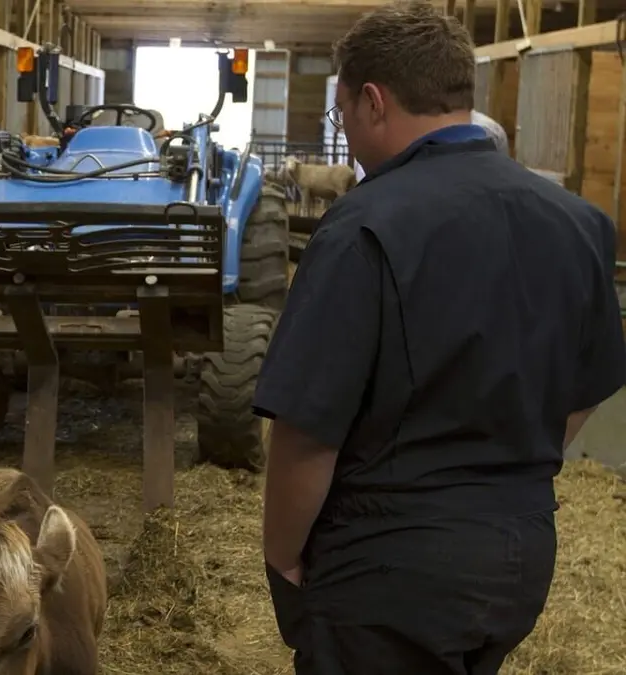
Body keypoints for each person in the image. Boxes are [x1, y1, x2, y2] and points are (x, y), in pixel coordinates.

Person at [253, 3, 625, 674]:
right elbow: (587, 389)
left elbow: (307, 433)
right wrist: (507, 462)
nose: (345, 129)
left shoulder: (360, 229)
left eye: (342, 112)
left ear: (373, 101)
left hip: (390, 568)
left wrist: (281, 555)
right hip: (521, 554)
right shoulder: (579, 224)